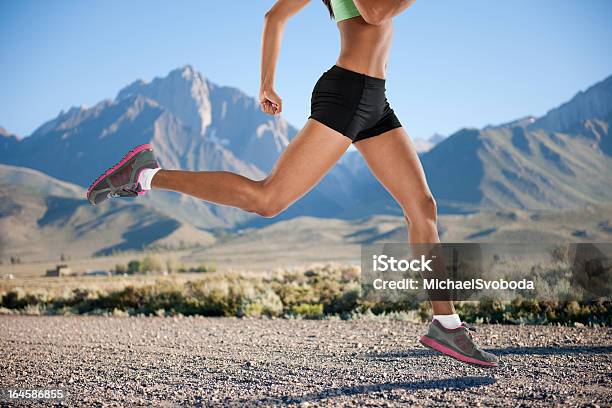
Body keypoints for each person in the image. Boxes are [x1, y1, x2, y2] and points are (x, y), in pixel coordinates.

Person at [86, 0, 498, 367]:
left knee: (422, 208)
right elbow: (372, 12)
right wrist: (266, 81)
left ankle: (446, 324)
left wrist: (267, 81)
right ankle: (145, 174)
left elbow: (274, 15)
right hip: (347, 95)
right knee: (267, 199)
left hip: (374, 100)